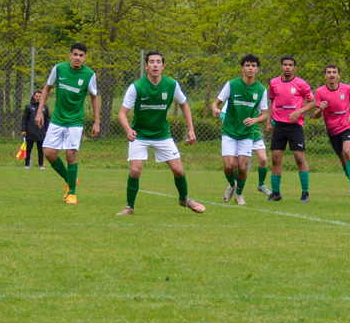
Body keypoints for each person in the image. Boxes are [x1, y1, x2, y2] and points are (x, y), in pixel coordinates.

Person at [117, 51, 205, 215]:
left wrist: (191, 130)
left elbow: (184, 104)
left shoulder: (171, 85)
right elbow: (122, 113)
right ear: (146, 66)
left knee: (179, 171)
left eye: (158, 62)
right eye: (151, 62)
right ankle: (129, 207)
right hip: (140, 135)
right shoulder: (137, 87)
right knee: (135, 171)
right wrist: (129, 129)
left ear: (163, 66)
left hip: (162, 134)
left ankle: (184, 199)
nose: (155, 65)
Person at [34, 42, 101, 204]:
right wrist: (39, 112)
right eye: (75, 54)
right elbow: (47, 88)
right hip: (57, 119)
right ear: (70, 55)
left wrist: (97, 121)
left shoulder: (89, 75)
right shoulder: (59, 69)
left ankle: (71, 193)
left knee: (71, 155)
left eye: (81, 55)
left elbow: (94, 96)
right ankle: (70, 179)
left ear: (85, 58)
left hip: (75, 121)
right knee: (49, 153)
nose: (78, 58)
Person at [211, 54, 269, 205]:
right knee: (228, 166)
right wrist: (215, 109)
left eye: (253, 66)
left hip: (247, 133)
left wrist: (254, 120)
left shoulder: (261, 90)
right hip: (229, 131)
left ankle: (239, 193)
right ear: (242, 68)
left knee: (243, 168)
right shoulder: (232, 85)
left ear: (257, 69)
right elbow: (215, 103)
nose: (250, 68)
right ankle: (232, 185)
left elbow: (264, 115)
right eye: (247, 65)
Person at [306, 62, 350, 196]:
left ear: (338, 75)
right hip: (332, 129)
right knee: (342, 159)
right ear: (325, 76)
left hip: (347, 125)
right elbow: (316, 115)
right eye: (329, 72)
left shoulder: (346, 88)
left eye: (334, 72)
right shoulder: (320, 92)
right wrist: (321, 109)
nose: (331, 75)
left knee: (347, 150)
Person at [267, 56, 313, 202]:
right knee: (275, 158)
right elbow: (272, 102)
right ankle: (276, 193)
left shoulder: (301, 84)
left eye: (290, 65)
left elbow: (313, 102)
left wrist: (299, 111)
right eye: (285, 64)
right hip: (279, 125)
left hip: (295, 125)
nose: (287, 67)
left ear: (294, 68)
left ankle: (305, 193)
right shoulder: (274, 83)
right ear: (281, 67)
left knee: (299, 157)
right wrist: (268, 121)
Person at [20, 90, 44, 169]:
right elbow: (24, 119)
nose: (38, 98)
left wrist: (47, 130)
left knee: (40, 149)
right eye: (37, 96)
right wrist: (24, 129)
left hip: (40, 132)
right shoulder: (28, 107)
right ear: (34, 97)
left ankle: (41, 165)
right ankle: (27, 164)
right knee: (28, 149)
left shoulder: (45, 107)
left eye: (40, 96)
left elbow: (47, 119)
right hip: (30, 131)